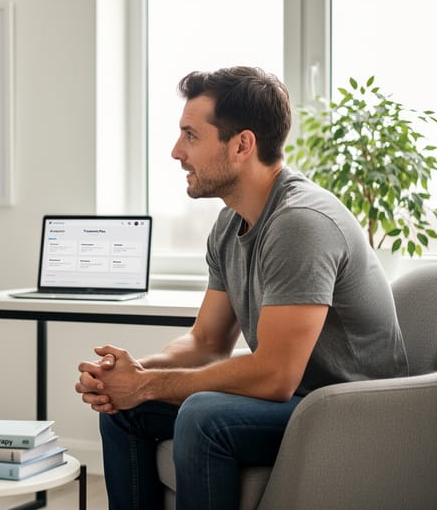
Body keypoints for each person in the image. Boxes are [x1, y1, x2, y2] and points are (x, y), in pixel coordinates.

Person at [75, 66, 409, 510]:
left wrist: (150, 383)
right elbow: (207, 340)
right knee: (126, 409)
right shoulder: (230, 223)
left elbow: (274, 375)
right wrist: (131, 375)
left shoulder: (300, 223)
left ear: (242, 145)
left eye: (191, 136)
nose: (176, 152)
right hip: (299, 400)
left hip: (353, 411)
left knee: (202, 416)